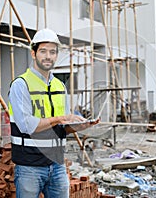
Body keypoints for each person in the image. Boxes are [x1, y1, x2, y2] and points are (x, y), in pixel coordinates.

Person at [8, 28, 99, 198]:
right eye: (43, 51)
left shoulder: (60, 86)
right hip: (29, 167)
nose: (48, 56)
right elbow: (27, 126)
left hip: (56, 165)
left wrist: (79, 126)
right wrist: (60, 118)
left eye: (52, 52)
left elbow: (61, 128)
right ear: (33, 53)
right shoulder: (21, 85)